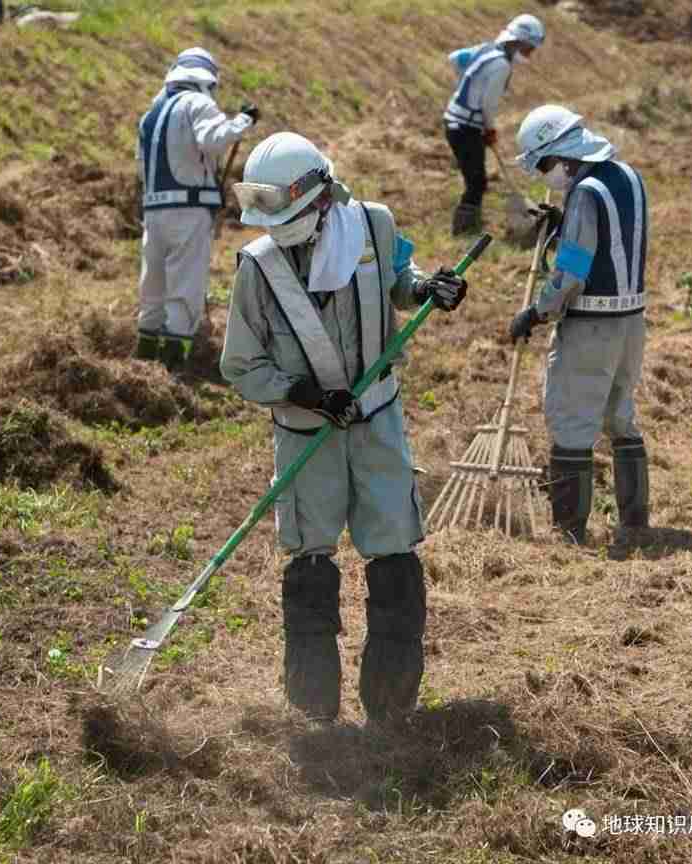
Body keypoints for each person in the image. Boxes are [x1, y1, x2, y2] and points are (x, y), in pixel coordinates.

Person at [220, 132, 468, 724]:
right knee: (309, 557)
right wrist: (301, 392)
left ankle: (391, 705)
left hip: (376, 423)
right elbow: (240, 363)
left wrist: (427, 288)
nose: (278, 231)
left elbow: (398, 276)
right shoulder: (257, 269)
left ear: (322, 197)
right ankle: (313, 712)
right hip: (308, 434)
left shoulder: (373, 226)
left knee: (393, 549)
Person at [510, 104, 649, 545]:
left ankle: (568, 533)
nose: (546, 176)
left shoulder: (585, 192)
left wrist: (536, 312)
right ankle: (634, 522)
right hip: (632, 323)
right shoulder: (628, 176)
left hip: (591, 325)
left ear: (563, 154)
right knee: (621, 417)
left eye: (545, 166)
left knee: (571, 420)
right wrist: (562, 225)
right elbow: (613, 240)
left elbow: (572, 271)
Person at [132, 47, 260, 369]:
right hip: (187, 212)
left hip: (153, 212)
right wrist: (245, 120)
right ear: (207, 79)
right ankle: (176, 366)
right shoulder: (197, 103)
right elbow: (214, 139)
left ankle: (145, 357)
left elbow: (140, 165)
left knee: (154, 286)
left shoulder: (150, 115)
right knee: (184, 286)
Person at [443, 13, 545, 236]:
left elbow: (455, 58)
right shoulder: (502, 66)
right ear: (517, 42)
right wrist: (489, 129)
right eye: (528, 49)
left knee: (476, 177)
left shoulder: (486, 49)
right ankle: (463, 232)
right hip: (465, 127)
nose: (528, 54)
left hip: (455, 121)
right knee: (477, 181)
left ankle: (470, 227)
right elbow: (488, 103)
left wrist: (465, 86)